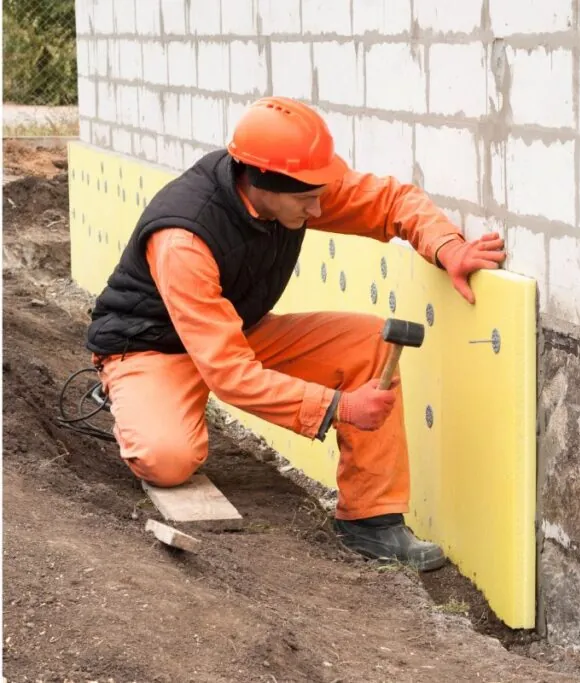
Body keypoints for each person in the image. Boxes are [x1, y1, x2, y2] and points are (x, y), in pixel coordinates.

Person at [84, 96, 506, 572]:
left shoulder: (296, 186)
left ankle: (372, 522)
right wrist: (340, 408)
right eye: (308, 200)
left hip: (235, 331)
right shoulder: (186, 238)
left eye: (321, 192)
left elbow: (391, 201)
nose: (322, 207)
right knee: (167, 459)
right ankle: (133, 393)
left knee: (370, 343)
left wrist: (447, 247)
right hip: (152, 347)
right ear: (261, 183)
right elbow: (230, 374)